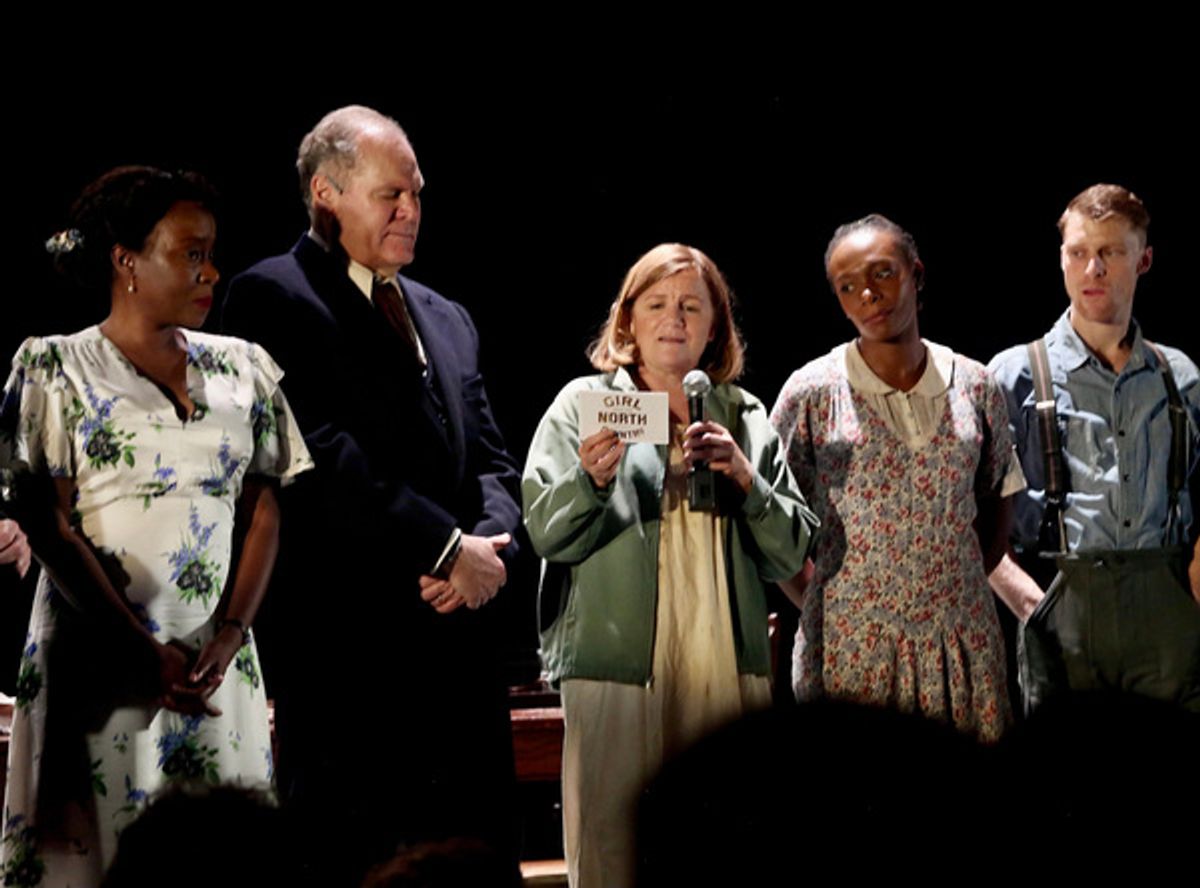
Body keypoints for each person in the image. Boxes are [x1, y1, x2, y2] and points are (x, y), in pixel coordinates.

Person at [221, 105, 522, 881]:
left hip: (461, 650)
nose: (411, 211)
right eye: (392, 195)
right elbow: (316, 452)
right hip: (352, 656)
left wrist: (488, 545)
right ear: (327, 193)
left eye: (417, 194)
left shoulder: (447, 318)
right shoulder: (271, 296)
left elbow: (492, 459)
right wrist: (444, 547)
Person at [0, 166, 312, 887]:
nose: (212, 271)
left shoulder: (245, 370)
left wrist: (231, 631)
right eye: (190, 252)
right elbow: (46, 524)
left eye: (212, 252)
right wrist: (139, 649)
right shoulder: (55, 367)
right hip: (99, 653)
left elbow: (267, 502)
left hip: (210, 661)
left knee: (219, 857)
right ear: (126, 261)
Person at [523, 243, 817, 888]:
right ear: (627, 320)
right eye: (656, 304)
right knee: (613, 846)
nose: (674, 319)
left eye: (691, 306)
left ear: (715, 326)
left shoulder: (743, 413)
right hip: (616, 662)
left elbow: (793, 551)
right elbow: (546, 532)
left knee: (722, 844)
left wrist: (745, 476)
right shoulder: (583, 403)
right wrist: (589, 480)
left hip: (719, 655)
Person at [770, 214, 1024, 742]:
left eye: (883, 273)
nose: (868, 293)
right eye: (847, 286)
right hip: (851, 650)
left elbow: (995, 514)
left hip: (961, 646)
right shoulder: (812, 393)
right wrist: (828, 599)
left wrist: (945, 589)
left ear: (916, 273)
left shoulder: (976, 386)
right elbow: (772, 527)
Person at [988, 184, 1200, 713]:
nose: (1093, 269)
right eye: (1079, 252)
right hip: (1065, 607)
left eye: (1110, 252)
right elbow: (973, 514)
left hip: (1165, 608)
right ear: (1061, 258)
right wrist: (1034, 607)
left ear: (1143, 259)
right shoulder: (1013, 376)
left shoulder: (1180, 377)